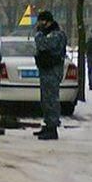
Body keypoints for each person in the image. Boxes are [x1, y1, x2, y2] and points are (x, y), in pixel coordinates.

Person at [34, 10, 67, 140]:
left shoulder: (57, 34)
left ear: (48, 21)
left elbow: (44, 45)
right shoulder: (47, 34)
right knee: (45, 99)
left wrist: (39, 35)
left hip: (53, 70)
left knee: (51, 99)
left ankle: (52, 128)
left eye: (42, 21)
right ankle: (48, 125)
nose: (40, 24)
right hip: (46, 70)